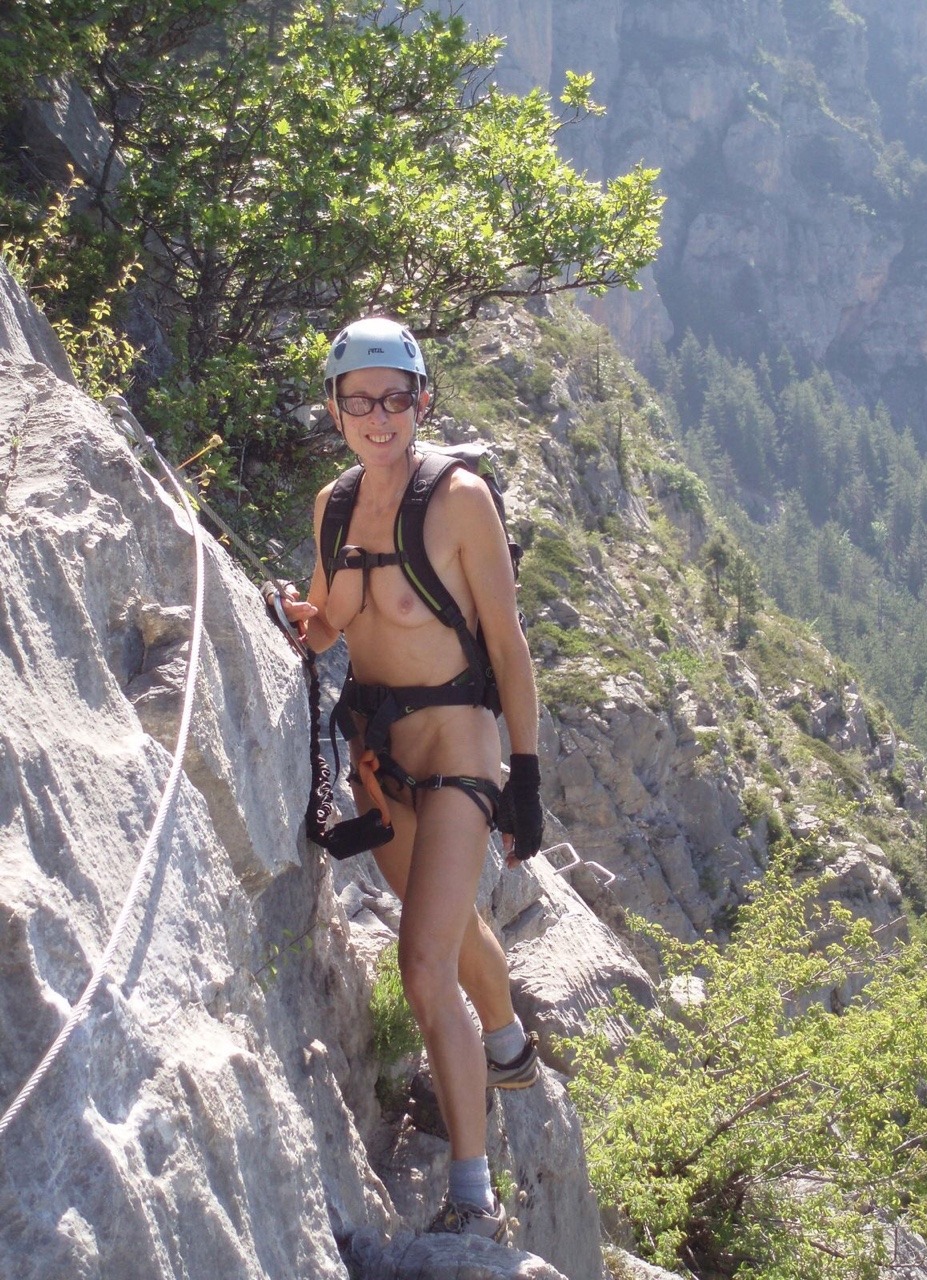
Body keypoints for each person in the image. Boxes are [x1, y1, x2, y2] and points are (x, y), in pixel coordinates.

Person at [279, 316, 544, 1241]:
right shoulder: (335, 505)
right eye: (361, 402)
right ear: (337, 410)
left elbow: (508, 645)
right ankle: (507, 1040)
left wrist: (527, 776)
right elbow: (328, 624)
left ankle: (472, 1193)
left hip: (462, 750)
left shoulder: (460, 500)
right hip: (378, 757)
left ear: (422, 401)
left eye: (396, 399)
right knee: (449, 925)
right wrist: (290, 618)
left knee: (423, 962)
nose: (379, 417)